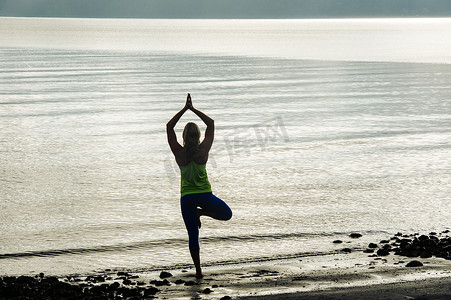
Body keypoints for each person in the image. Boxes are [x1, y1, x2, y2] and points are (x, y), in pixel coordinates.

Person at [166, 93, 232, 278]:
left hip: (187, 198)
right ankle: (201, 212)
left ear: (184, 136)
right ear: (199, 135)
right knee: (227, 214)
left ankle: (198, 271)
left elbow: (169, 127)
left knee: (193, 235)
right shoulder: (203, 150)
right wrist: (193, 110)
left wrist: (184, 109)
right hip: (204, 195)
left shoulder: (179, 153)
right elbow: (211, 123)